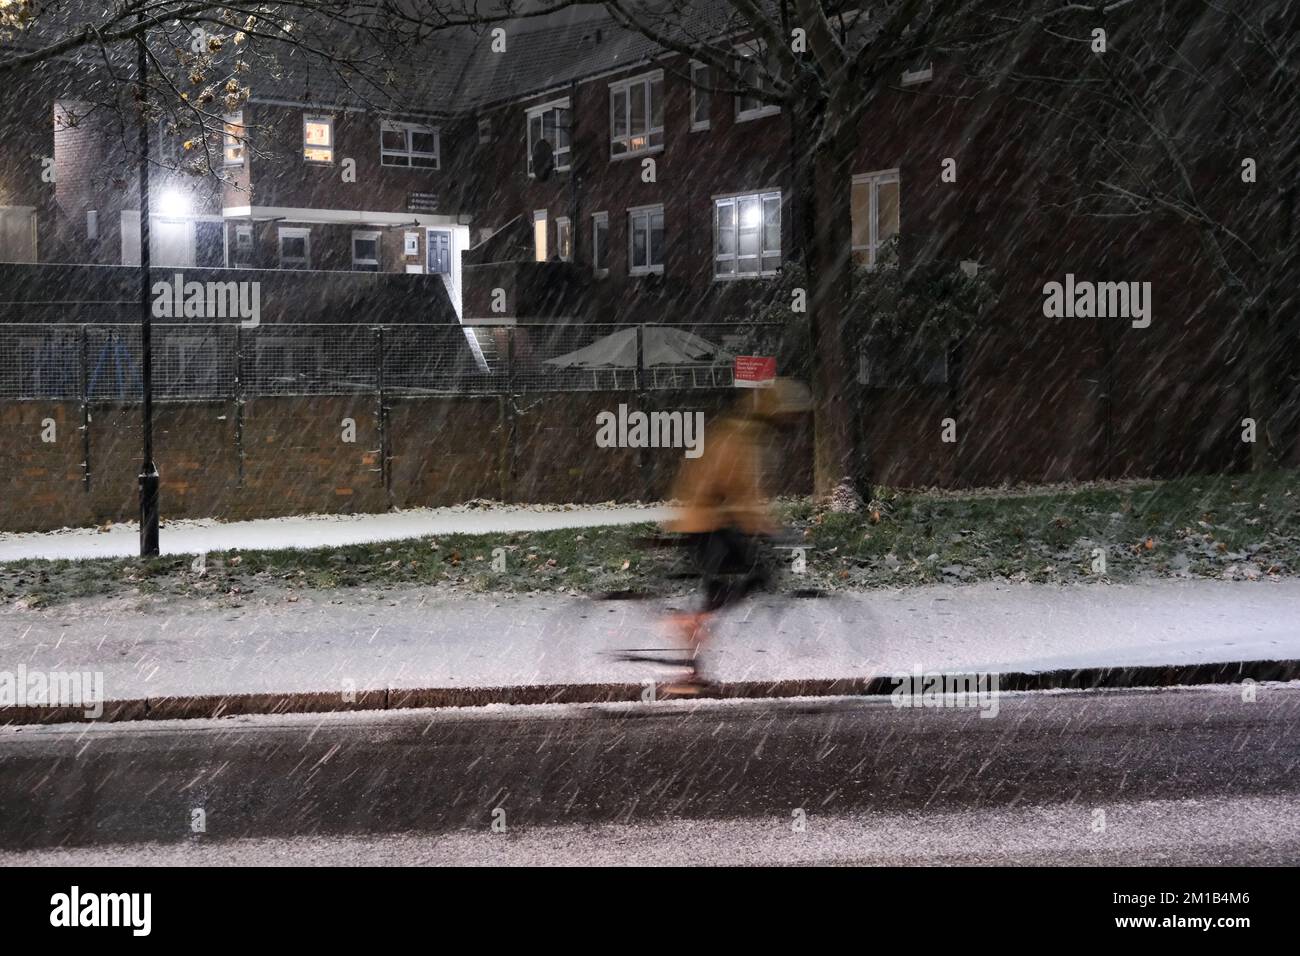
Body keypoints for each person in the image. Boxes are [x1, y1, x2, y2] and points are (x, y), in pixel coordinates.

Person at [661, 377, 812, 693]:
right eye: (793, 415)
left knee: (726, 592)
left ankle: (692, 664)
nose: (795, 423)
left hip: (708, 524)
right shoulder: (743, 438)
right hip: (706, 526)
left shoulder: (743, 432)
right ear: (777, 412)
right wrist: (769, 528)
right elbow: (739, 492)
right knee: (735, 587)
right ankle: (686, 645)